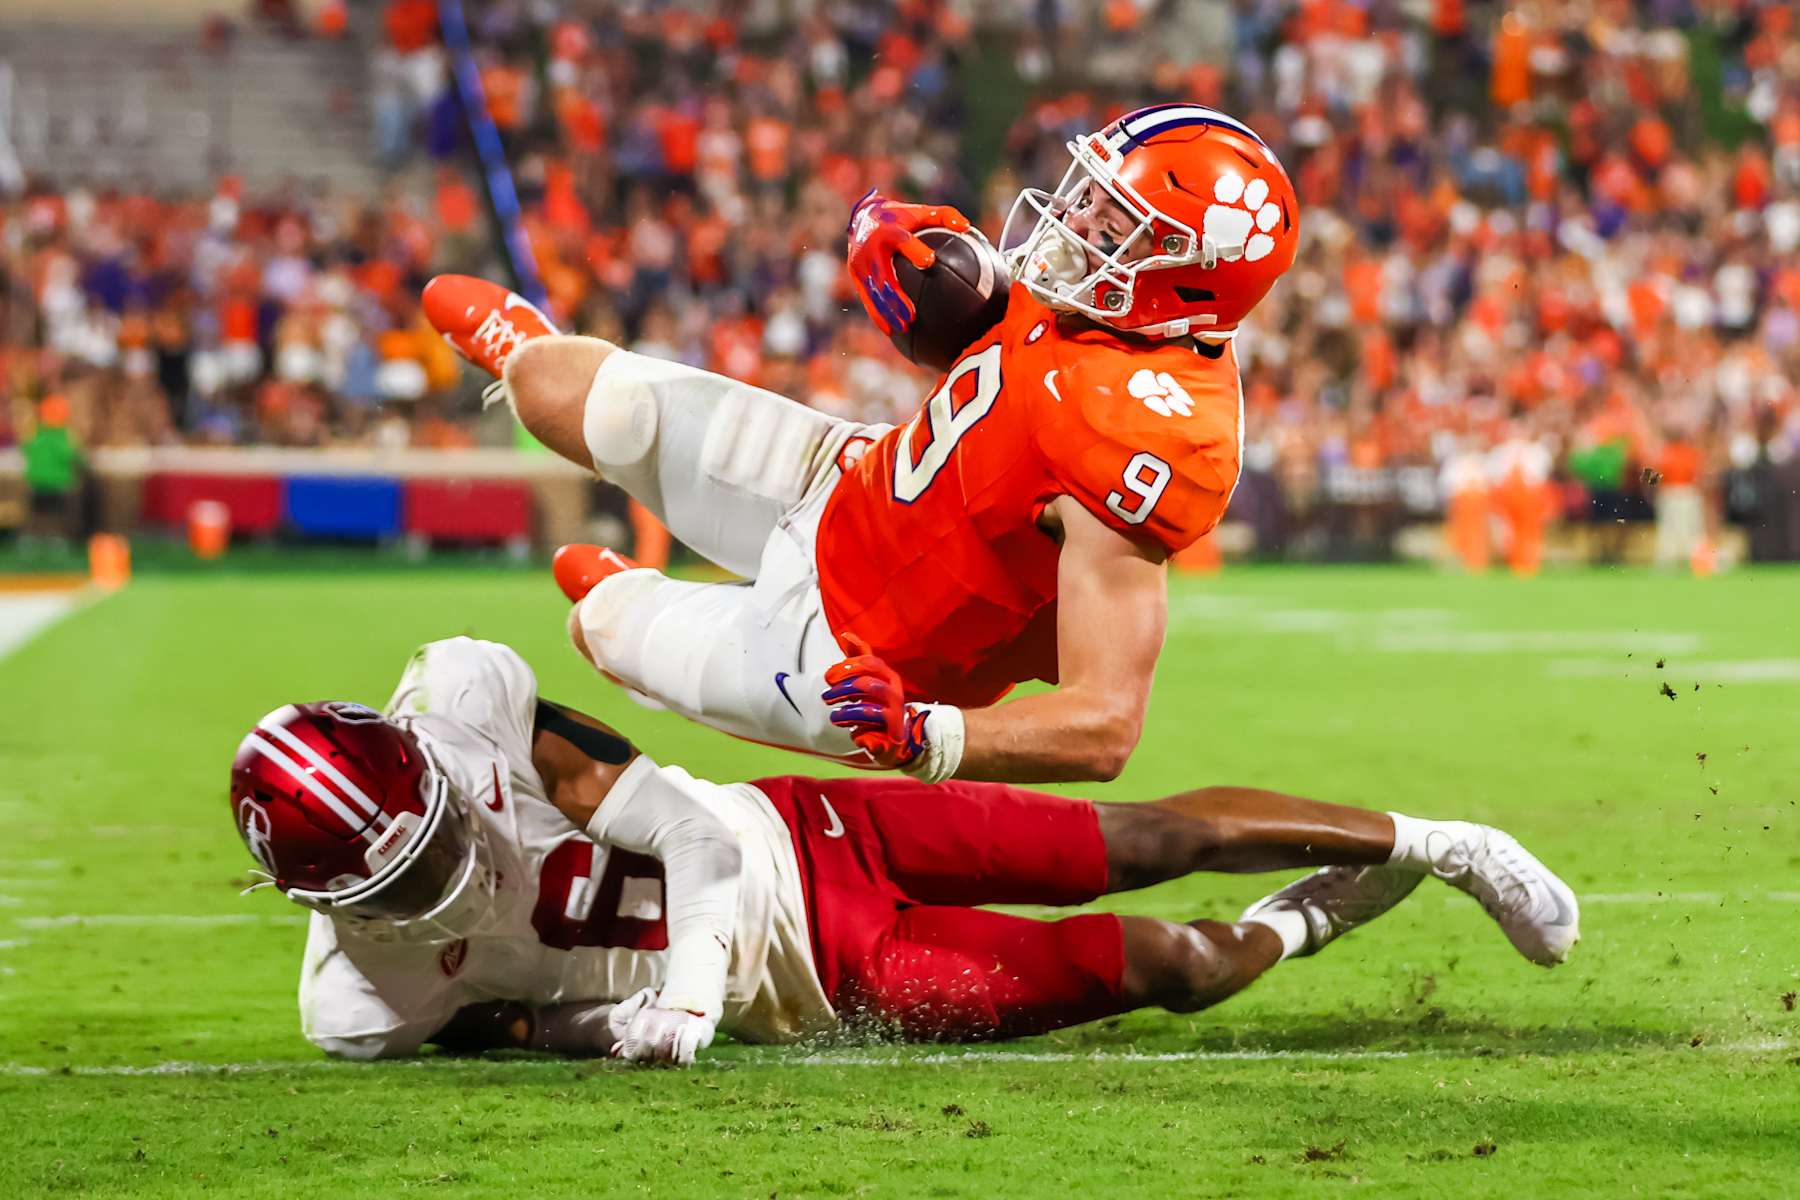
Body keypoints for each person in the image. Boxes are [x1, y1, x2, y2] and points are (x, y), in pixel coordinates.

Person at [423, 104, 1299, 784]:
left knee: (602, 620)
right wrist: (888, 235)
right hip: (843, 478)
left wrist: (929, 736)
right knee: (558, 389)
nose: (1075, 222)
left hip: (843, 652)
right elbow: (983, 325)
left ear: (1191, 273)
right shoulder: (1101, 295)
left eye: (1114, 221)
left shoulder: (1148, 438)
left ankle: (643, 611)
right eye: (1092, 194)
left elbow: (1106, 723)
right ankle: (527, 353)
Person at [229, 637, 1579, 1065]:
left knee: (1144, 839)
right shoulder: (359, 1004)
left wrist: (683, 996)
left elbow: (691, 842)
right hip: (841, 981)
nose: (441, 877)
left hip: (806, 832)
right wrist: (618, 1033)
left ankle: (1447, 842)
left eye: (430, 842)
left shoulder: (469, 709)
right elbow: (516, 1030)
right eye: (398, 886)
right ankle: (1325, 913)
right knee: (1179, 965)